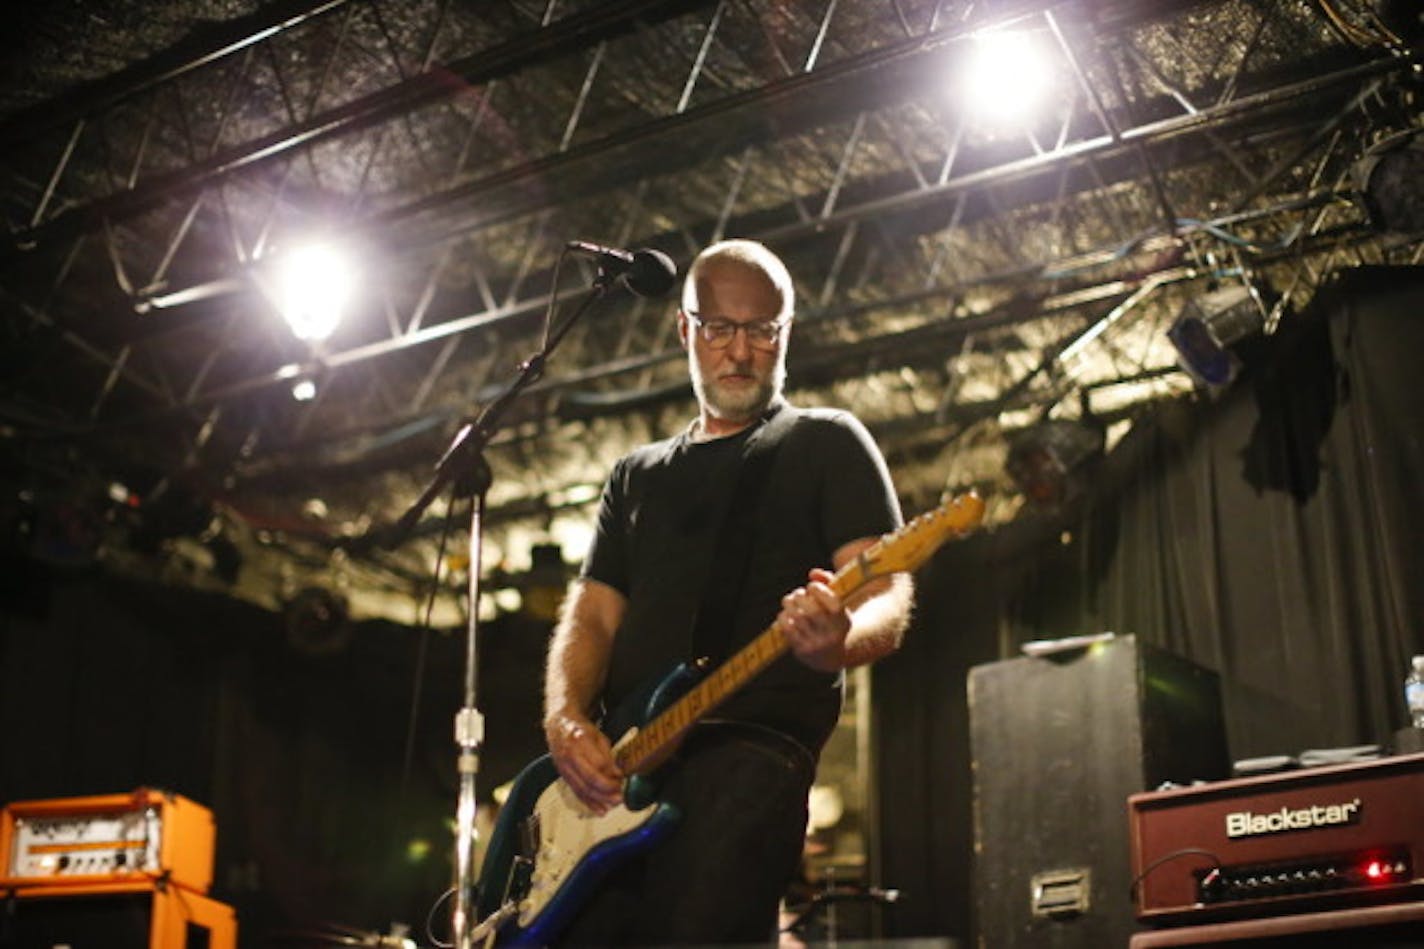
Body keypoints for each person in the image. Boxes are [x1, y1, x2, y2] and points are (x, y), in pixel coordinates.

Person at [542, 238, 914, 946]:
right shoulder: (635, 475)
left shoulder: (826, 442)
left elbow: (887, 592)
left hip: (747, 755)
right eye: (718, 328)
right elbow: (591, 616)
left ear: (786, 333)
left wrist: (839, 639)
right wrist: (565, 720)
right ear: (684, 328)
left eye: (761, 330)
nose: (739, 352)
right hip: (618, 772)